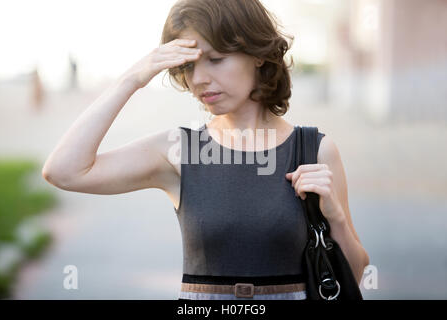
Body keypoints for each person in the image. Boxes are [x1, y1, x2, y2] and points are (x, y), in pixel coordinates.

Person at [42, 0, 369, 300]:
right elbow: (64, 171)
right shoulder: (177, 151)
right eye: (187, 66)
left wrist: (334, 217)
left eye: (215, 59)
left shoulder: (314, 150)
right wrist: (132, 78)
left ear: (258, 53)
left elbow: (352, 275)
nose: (198, 79)